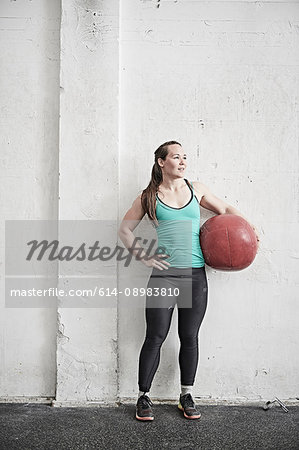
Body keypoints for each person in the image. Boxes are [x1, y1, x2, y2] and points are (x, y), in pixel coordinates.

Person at [118, 140, 260, 421]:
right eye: (176, 157)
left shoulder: (197, 189)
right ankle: (143, 397)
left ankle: (186, 394)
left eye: (185, 157)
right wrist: (145, 257)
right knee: (155, 336)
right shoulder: (149, 196)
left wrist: (249, 226)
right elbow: (124, 229)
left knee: (189, 337)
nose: (182, 162)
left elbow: (225, 209)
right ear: (161, 162)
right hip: (164, 275)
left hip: (195, 275)